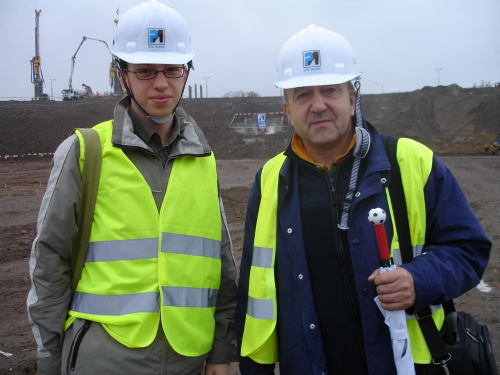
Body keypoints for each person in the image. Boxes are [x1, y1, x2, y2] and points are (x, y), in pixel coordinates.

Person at [235, 24, 492, 374]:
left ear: (353, 97)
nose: (318, 105)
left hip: (404, 365)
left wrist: (420, 280)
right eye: (303, 94)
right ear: (287, 108)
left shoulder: (412, 162)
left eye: (330, 90)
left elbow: (468, 249)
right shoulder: (270, 180)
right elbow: (252, 288)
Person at [27, 1, 237, 374]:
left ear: (187, 71)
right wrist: (49, 359)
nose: (160, 83)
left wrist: (221, 352)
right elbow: (49, 262)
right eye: (144, 71)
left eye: (172, 69)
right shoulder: (85, 152)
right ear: (122, 75)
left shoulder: (204, 159)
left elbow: (222, 266)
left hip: (190, 358)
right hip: (105, 360)